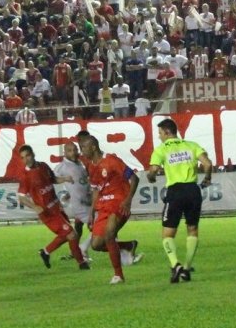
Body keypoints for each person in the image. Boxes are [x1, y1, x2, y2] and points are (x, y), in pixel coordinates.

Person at [147, 118, 213, 283]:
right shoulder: (191, 145)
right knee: (192, 230)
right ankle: (186, 267)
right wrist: (207, 178)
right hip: (192, 190)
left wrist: (151, 177)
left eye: (160, 133)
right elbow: (208, 164)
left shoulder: (161, 149)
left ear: (167, 132)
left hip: (175, 191)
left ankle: (175, 264)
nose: (160, 137)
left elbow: (153, 170)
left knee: (167, 234)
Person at [78, 133, 141, 284]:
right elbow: (95, 190)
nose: (82, 152)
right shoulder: (91, 167)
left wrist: (127, 200)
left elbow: (134, 178)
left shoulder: (111, 161)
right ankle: (127, 245)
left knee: (109, 234)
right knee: (96, 245)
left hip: (118, 203)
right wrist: (92, 212)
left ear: (93, 147)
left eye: (83, 148)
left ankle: (118, 275)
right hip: (103, 206)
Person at [16, 145, 89, 270]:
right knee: (72, 234)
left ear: (33, 154)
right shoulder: (25, 175)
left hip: (57, 207)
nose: (26, 159)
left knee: (68, 234)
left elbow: (53, 179)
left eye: (27, 155)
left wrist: (65, 178)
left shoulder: (43, 166)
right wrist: (35, 207)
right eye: (23, 158)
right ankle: (82, 263)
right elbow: (21, 197)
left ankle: (45, 252)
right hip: (47, 212)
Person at [54, 142, 94, 261]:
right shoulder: (62, 166)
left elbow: (82, 183)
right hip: (78, 204)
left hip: (87, 202)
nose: (73, 153)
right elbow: (51, 178)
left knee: (101, 226)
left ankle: (80, 252)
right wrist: (64, 179)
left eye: (75, 150)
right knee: (101, 226)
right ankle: (82, 249)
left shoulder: (80, 164)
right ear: (64, 153)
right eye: (70, 150)